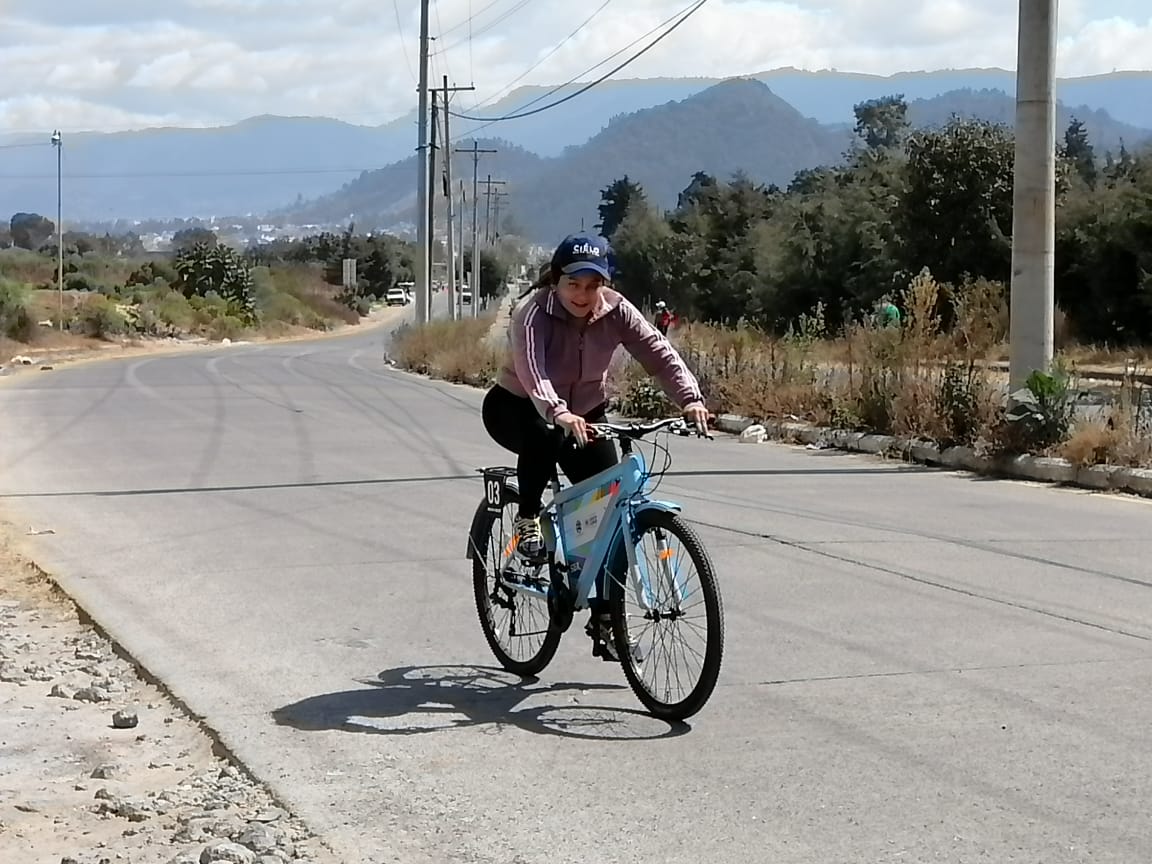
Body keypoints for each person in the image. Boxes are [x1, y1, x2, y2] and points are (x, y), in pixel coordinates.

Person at [481, 234, 709, 658]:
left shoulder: (616, 310)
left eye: (593, 285)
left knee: (607, 506)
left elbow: (658, 353)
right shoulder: (533, 314)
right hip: (517, 406)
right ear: (555, 280)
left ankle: (606, 620)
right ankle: (528, 518)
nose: (583, 295)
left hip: (584, 415)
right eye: (573, 284)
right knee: (544, 434)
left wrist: (690, 399)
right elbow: (533, 372)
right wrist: (558, 412)